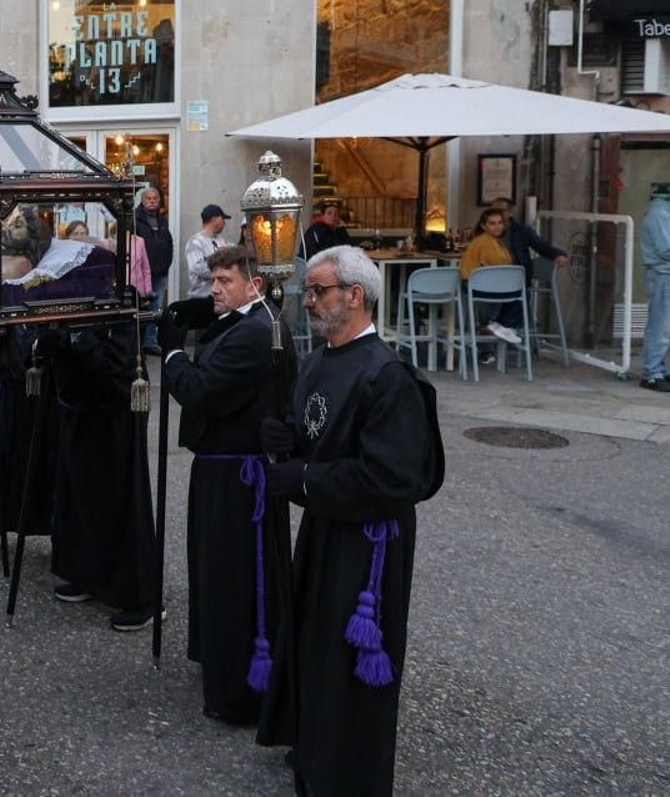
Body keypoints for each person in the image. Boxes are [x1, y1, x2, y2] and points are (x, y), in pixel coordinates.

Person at [256, 245, 445, 796]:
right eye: (307, 291)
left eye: (318, 291)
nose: (308, 301)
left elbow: (394, 479)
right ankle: (313, 748)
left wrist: (305, 479)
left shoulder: (388, 377)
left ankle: (347, 774)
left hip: (369, 541)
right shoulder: (317, 361)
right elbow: (314, 430)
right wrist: (284, 442)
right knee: (314, 640)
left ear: (355, 296)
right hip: (325, 527)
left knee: (346, 653)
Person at [158, 244, 293, 723]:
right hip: (221, 468)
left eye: (224, 283)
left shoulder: (255, 334)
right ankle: (216, 659)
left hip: (238, 477)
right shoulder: (250, 322)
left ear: (254, 285)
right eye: (212, 282)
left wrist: (172, 349)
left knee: (236, 578)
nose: (215, 290)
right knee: (212, 571)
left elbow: (197, 390)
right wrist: (203, 319)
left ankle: (238, 687)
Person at [44, 317, 161, 632]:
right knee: (81, 493)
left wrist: (76, 340)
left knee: (121, 496)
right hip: (78, 400)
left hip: (115, 404)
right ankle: (88, 575)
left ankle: (141, 596)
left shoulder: (118, 291)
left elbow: (113, 359)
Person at [0, 327, 58, 558]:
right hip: (10, 388)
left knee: (51, 463)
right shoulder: (1, 293)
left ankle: (61, 533)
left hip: (49, 388)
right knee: (0, 462)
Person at [458, 208, 525, 347]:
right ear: (484, 226)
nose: (497, 226)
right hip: (478, 285)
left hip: (487, 284)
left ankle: (500, 326)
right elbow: (499, 266)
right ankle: (502, 325)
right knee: (523, 293)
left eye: (500, 223)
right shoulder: (485, 242)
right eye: (492, 223)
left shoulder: (495, 241)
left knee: (518, 293)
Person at [135, 187, 175, 353]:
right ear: (142, 201)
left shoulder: (162, 220)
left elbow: (168, 243)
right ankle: (136, 344)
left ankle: (150, 342)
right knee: (139, 308)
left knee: (155, 308)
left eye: (155, 198)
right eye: (148, 198)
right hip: (140, 274)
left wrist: (166, 265)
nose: (152, 201)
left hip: (159, 272)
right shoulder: (135, 219)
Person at [641, 183, 670, 393]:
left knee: (663, 326)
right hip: (663, 275)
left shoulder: (660, 212)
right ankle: (652, 374)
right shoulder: (660, 213)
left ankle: (658, 370)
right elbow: (666, 248)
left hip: (663, 274)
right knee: (660, 326)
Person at [184, 204, 231, 299]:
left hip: (220, 297)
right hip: (201, 298)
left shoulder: (222, 241)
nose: (224, 223)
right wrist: (223, 272)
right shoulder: (195, 242)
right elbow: (198, 268)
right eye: (223, 219)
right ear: (214, 219)